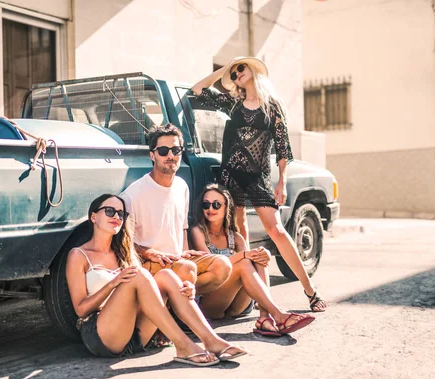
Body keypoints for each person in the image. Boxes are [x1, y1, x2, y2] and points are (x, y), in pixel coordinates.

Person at [191, 57, 327, 312]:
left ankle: (310, 290)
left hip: (258, 177)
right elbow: (196, 90)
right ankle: (258, 297)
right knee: (242, 235)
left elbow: (284, 147)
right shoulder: (232, 104)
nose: (236, 74)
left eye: (240, 68)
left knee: (276, 230)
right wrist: (224, 69)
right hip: (231, 177)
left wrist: (282, 183)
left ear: (254, 71)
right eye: (234, 72)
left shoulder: (273, 106)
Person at [66, 194, 247, 364]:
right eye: (109, 211)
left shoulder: (124, 252)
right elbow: (81, 309)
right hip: (101, 334)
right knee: (139, 273)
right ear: (93, 217)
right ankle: (183, 346)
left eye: (121, 213)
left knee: (167, 276)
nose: (116, 216)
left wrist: (184, 288)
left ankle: (212, 341)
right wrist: (114, 283)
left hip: (134, 334)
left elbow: (147, 288)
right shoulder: (79, 255)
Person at [120, 124, 232, 296]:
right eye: (163, 150)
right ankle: (177, 308)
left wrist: (184, 251)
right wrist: (148, 253)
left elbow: (182, 226)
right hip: (150, 263)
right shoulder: (133, 195)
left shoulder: (181, 186)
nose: (170, 155)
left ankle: (175, 299)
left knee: (222, 265)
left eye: (176, 150)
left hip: (177, 258)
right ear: (152, 155)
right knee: (187, 269)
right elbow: (123, 242)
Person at [190, 184, 315, 335]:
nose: (210, 209)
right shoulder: (198, 232)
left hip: (238, 306)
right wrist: (244, 255)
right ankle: (278, 315)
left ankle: (264, 316)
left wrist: (263, 254)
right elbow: (211, 264)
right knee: (245, 261)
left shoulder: (235, 237)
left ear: (226, 207)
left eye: (216, 205)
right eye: (206, 204)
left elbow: (250, 261)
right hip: (211, 304)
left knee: (258, 258)